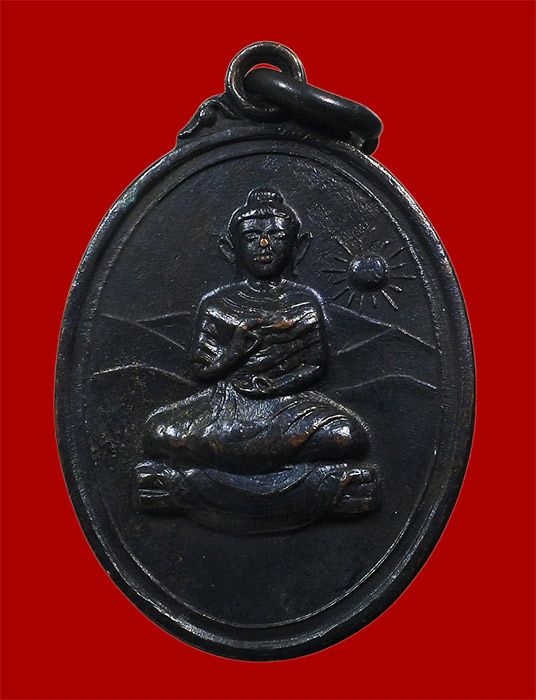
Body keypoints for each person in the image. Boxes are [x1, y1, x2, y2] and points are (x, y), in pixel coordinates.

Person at [143, 188, 370, 475]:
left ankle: (233, 462)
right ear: (230, 248)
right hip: (227, 406)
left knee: (346, 434)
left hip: (288, 407)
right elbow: (201, 369)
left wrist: (277, 386)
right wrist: (234, 352)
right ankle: (272, 462)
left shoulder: (304, 302)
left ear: (297, 247)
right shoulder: (218, 304)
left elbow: (315, 365)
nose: (264, 245)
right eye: (251, 238)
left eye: (277, 236)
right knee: (157, 432)